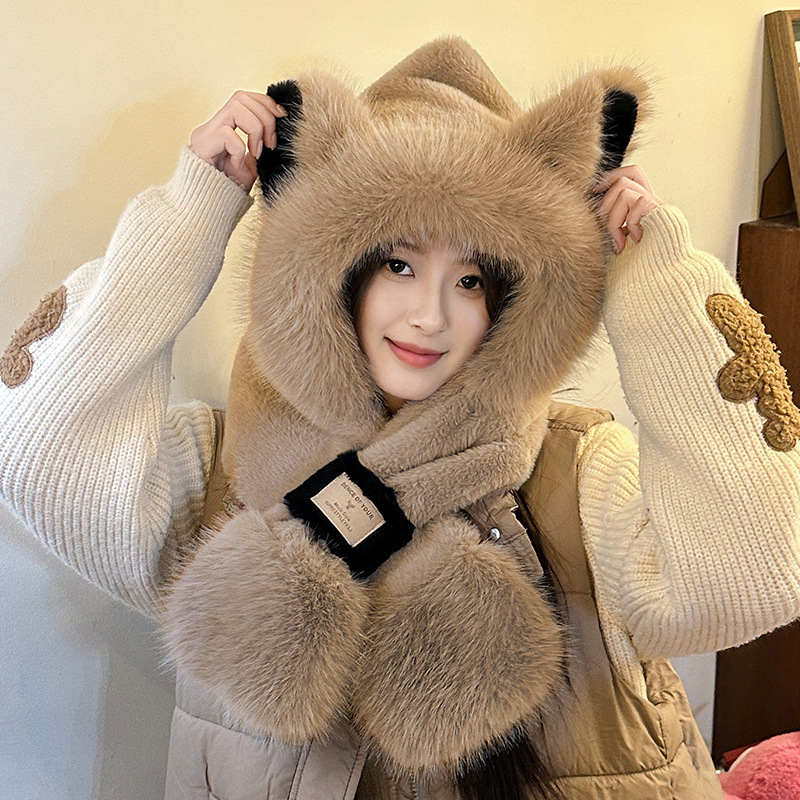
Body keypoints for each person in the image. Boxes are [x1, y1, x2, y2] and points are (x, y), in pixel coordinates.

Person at [1, 37, 799, 800]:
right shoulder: (226, 466)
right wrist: (188, 217)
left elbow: (758, 576)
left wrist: (655, 276)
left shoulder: (577, 470)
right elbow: (37, 455)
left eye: (472, 280)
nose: (430, 316)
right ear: (328, 268)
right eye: (399, 263)